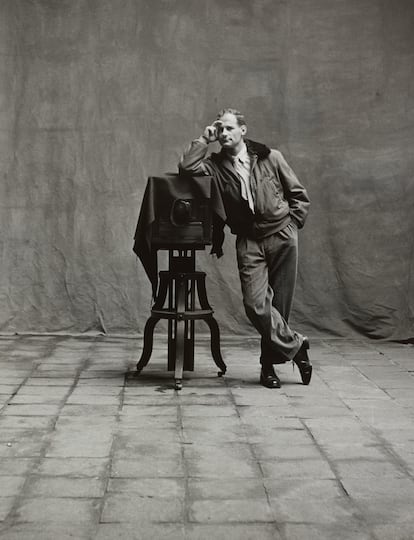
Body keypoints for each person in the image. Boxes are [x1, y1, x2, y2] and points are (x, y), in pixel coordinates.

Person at [179, 108, 311, 388]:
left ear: (243, 130)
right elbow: (187, 167)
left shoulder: (270, 157)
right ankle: (297, 347)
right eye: (220, 129)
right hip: (249, 240)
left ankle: (268, 369)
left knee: (278, 308)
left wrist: (293, 223)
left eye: (228, 128)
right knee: (255, 304)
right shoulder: (214, 166)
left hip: (282, 235)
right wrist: (204, 138)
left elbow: (297, 194)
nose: (224, 133)